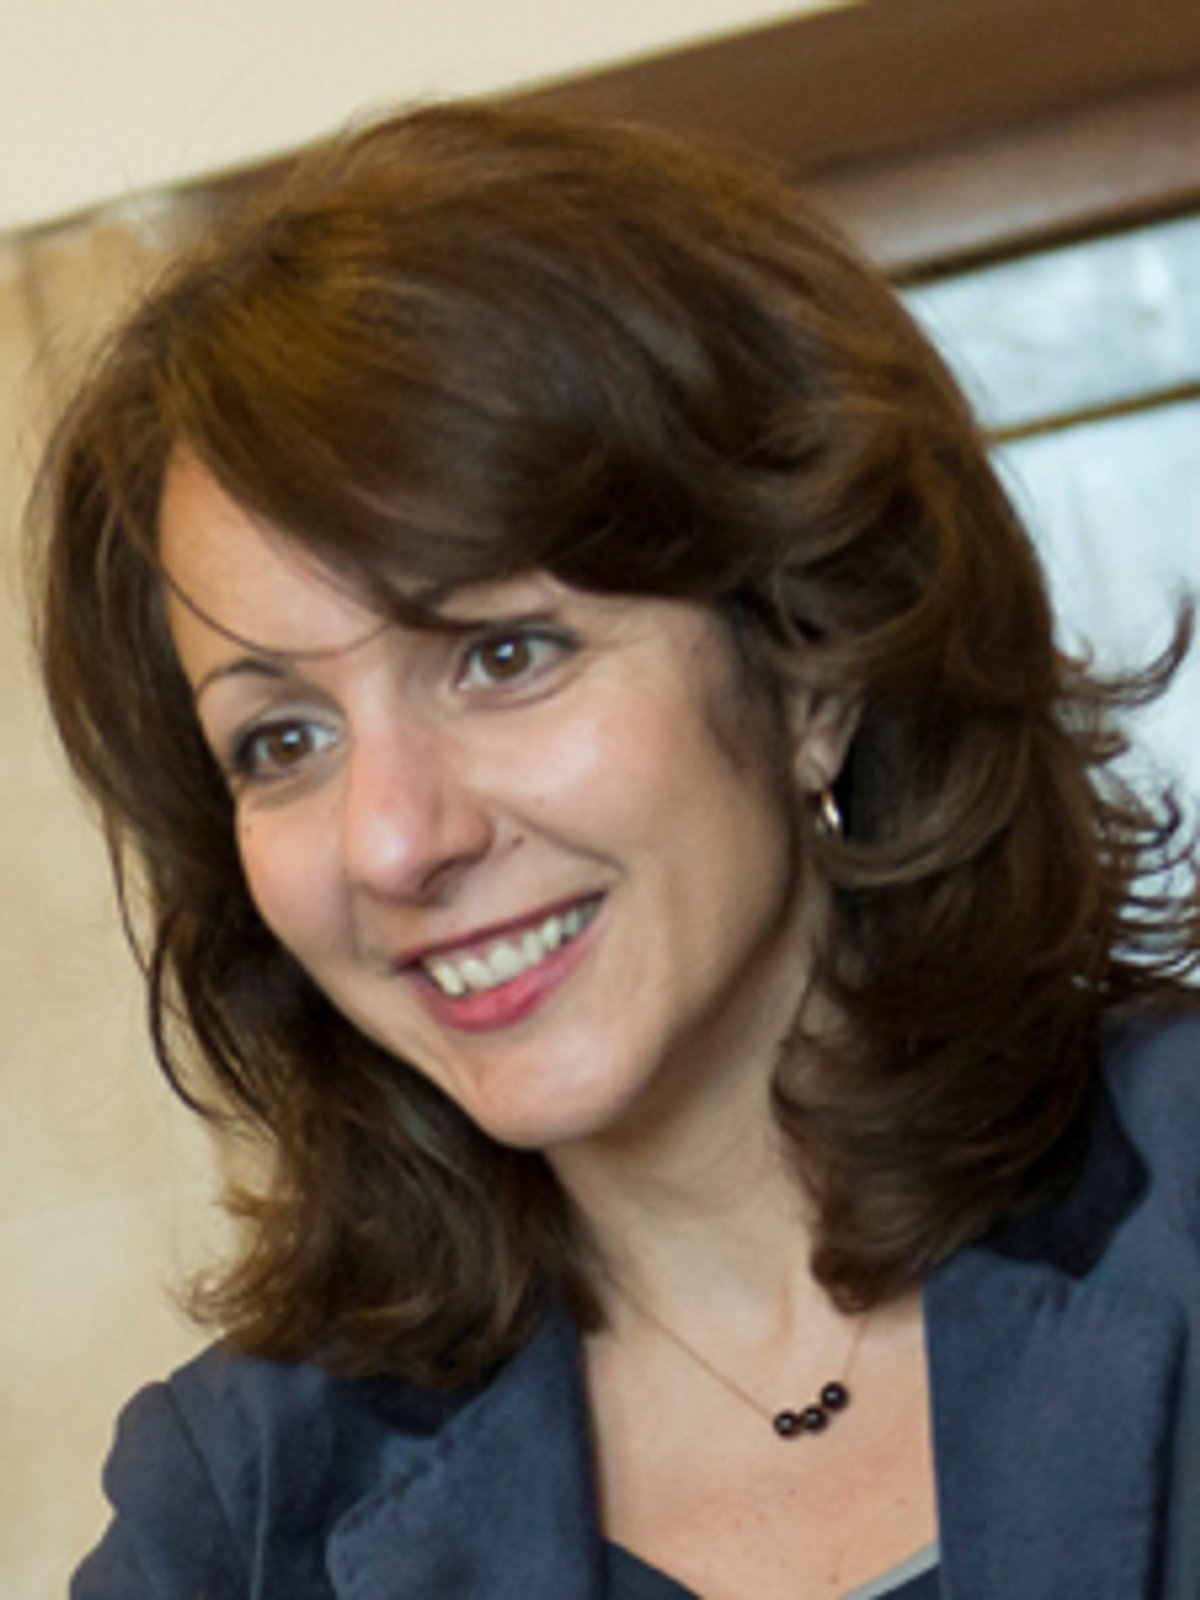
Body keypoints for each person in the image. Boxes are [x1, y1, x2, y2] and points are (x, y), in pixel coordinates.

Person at [33, 102, 1200, 1600]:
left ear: (813, 665)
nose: (393, 840)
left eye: (503, 654)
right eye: (283, 740)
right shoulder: (244, 1511)